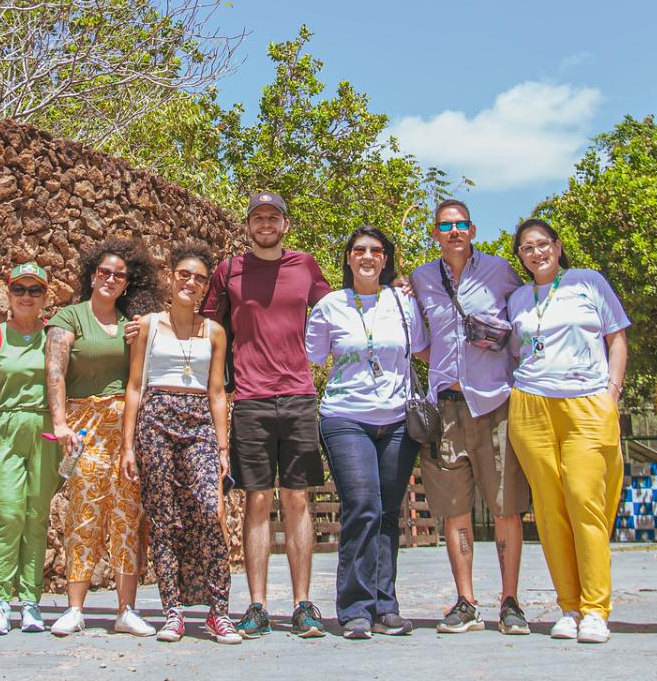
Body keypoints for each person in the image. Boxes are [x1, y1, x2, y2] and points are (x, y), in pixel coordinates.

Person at [202, 191, 332, 639]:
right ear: (248, 225)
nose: (265, 224)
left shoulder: (306, 266)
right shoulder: (229, 271)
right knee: (256, 500)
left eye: (272, 217)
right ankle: (256, 606)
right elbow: (207, 326)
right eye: (257, 218)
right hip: (251, 400)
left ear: (285, 224)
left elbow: (337, 311)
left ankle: (302, 605)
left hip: (298, 394)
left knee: (297, 498)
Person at [410, 199, 533, 635]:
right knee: (455, 511)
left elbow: (524, 317)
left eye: (461, 224)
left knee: (505, 507)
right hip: (446, 407)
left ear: (474, 230)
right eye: (446, 226)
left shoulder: (500, 271)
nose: (454, 231)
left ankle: (511, 601)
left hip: (494, 403)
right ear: (435, 234)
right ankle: (465, 601)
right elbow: (417, 341)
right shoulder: (422, 278)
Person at [504, 218, 629, 645]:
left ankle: (596, 609)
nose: (536, 253)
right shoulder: (518, 298)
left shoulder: (587, 282)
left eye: (542, 244)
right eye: (526, 248)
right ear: (519, 257)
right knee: (550, 510)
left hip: (587, 402)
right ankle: (569, 607)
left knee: (584, 502)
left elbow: (617, 339)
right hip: (531, 405)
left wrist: (611, 393)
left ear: (558, 246)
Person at [305, 226, 428, 639]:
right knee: (362, 505)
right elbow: (312, 358)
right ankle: (355, 608)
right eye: (359, 249)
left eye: (376, 250)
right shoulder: (329, 306)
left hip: (397, 420)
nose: (368, 256)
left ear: (386, 258)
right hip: (345, 417)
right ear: (348, 258)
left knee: (389, 513)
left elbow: (424, 349)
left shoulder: (404, 303)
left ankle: (384, 604)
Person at [123, 243, 241, 644]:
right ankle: (172, 611)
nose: (191, 282)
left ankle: (218, 612)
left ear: (208, 287)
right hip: (156, 418)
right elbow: (135, 386)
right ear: (171, 278)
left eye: (200, 278)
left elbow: (218, 392)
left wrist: (223, 448)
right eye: (184, 275)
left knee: (210, 511)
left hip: (199, 423)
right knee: (164, 517)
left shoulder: (215, 331)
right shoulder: (149, 325)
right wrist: (127, 445)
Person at [46, 238, 161, 637]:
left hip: (125, 426)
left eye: (119, 275)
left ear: (128, 283)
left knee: (128, 512)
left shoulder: (130, 325)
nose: (111, 279)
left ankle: (126, 609)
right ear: (92, 276)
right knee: (85, 509)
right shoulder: (69, 318)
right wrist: (60, 423)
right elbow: (56, 373)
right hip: (84, 425)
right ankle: (75, 608)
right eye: (104, 272)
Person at [0, 262, 62, 634]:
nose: (27, 296)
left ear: (45, 297)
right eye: (19, 289)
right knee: (5, 512)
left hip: (42, 428)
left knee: (36, 513)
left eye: (35, 290)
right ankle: (0, 599)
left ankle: (30, 600)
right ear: (8, 294)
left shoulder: (54, 335)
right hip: (3, 426)